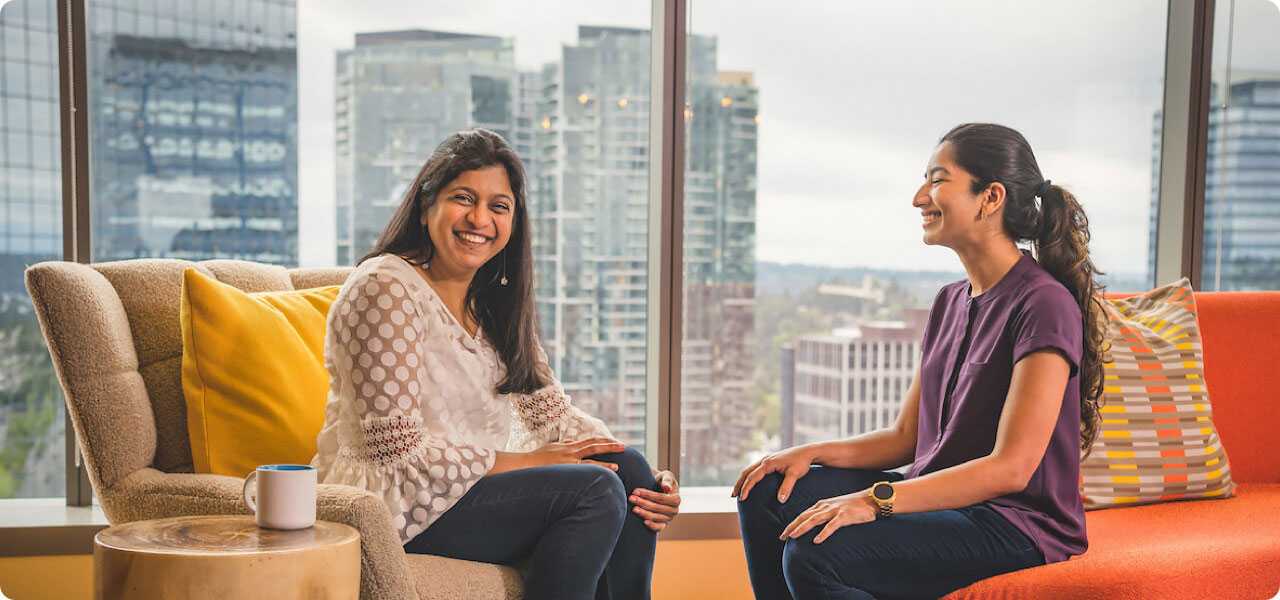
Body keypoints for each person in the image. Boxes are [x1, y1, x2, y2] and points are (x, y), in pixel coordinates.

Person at [734, 123, 1107, 600]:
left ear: (989, 197)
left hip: (1012, 522)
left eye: (937, 180)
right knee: (766, 491)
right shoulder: (949, 301)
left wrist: (876, 501)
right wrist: (812, 453)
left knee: (816, 552)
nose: (918, 198)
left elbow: (1011, 469)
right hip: (941, 497)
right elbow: (907, 438)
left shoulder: (1043, 304)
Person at [312, 128, 681, 600]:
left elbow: (553, 415)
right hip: (397, 502)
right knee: (593, 491)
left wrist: (649, 477)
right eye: (463, 198)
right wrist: (524, 462)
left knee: (624, 469)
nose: (479, 218)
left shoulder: (495, 303)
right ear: (426, 207)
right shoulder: (385, 288)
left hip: (468, 491)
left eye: (498, 206)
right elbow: (393, 450)